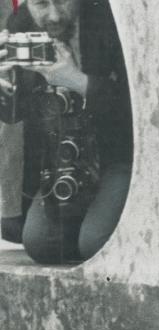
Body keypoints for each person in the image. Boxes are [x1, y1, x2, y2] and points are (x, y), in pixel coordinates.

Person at [0, 0, 132, 263]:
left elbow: (139, 107)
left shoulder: (112, 21)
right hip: (64, 163)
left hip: (116, 157)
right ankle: (92, 220)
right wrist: (5, 92)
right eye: (41, 4)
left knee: (95, 243)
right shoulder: (20, 24)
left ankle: (96, 223)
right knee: (39, 245)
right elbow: (17, 114)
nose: (54, 15)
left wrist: (76, 80)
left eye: (62, 1)